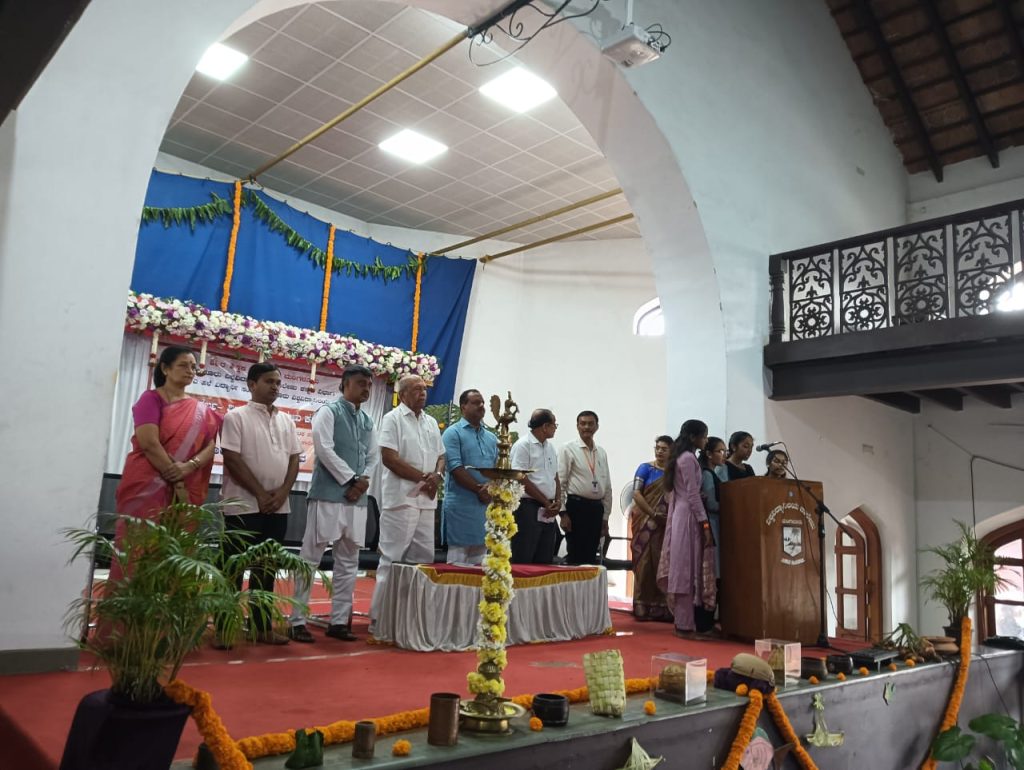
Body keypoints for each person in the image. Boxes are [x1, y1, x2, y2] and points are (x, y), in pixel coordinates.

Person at [289, 365, 378, 643]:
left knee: (349, 560)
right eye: (361, 383)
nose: (366, 389)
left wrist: (362, 483)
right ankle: (297, 621)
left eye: (369, 385)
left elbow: (373, 457)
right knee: (311, 557)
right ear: (345, 384)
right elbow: (324, 449)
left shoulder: (367, 421)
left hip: (356, 499)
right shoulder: (328, 412)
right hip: (328, 495)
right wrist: (351, 480)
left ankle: (339, 621)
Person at [218, 363, 301, 645]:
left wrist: (283, 492)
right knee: (233, 569)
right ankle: (224, 629)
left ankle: (261, 627)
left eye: (278, 382)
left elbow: (294, 459)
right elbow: (232, 458)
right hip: (242, 506)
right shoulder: (236, 417)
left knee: (266, 569)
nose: (275, 387)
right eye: (269, 381)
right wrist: (260, 494)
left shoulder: (287, 420)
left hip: (278, 506)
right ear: (252, 384)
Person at [370, 375, 446, 631]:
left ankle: (411, 620)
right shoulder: (392, 419)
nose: (422, 393)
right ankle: (379, 618)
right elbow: (389, 458)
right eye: (416, 389)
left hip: (426, 500)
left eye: (424, 389)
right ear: (402, 394)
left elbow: (441, 456)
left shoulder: (431, 421)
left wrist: (437, 475)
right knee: (392, 557)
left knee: (422, 559)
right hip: (401, 499)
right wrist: (424, 478)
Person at [115, 345, 222, 521]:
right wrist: (177, 480)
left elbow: (210, 446)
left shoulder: (201, 409)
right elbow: (149, 443)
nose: (190, 371)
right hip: (148, 482)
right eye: (183, 365)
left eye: (193, 367)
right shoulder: (151, 399)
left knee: (177, 538)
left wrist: (190, 466)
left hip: (187, 482)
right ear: (165, 368)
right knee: (142, 535)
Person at [657, 419, 716, 639]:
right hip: (688, 517)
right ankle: (683, 626)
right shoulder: (688, 458)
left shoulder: (681, 457)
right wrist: (705, 524)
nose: (706, 440)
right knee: (685, 570)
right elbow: (691, 494)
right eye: (704, 436)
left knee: (686, 567)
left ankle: (686, 623)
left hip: (682, 514)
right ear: (693, 437)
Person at [441, 389, 498, 565]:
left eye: (482, 402)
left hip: (484, 506)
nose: (481, 406)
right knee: (458, 562)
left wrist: (490, 488)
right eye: (475, 402)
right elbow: (455, 468)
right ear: (463, 406)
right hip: (461, 506)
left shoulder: (491, 437)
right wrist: (479, 490)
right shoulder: (453, 433)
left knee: (481, 562)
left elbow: (497, 470)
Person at [558, 411, 613, 565]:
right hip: (576, 508)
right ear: (577, 426)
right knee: (576, 556)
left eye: (590, 424)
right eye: (583, 423)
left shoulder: (601, 452)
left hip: (596, 509)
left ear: (597, 426)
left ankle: (588, 582)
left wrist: (605, 517)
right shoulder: (568, 449)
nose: (586, 427)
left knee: (590, 556)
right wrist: (563, 513)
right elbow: (560, 483)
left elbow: (607, 486)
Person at [629, 435, 674, 622]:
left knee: (662, 562)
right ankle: (641, 603)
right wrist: (653, 514)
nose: (659, 451)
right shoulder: (645, 468)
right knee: (644, 562)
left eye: (664, 449)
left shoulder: (674, 473)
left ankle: (661, 607)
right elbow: (636, 494)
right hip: (645, 521)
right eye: (657, 448)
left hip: (666, 524)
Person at [509, 409, 561, 564]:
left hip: (548, 509)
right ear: (545, 426)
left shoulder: (550, 447)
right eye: (554, 424)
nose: (555, 428)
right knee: (524, 556)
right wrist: (545, 502)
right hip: (528, 508)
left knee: (544, 558)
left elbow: (555, 477)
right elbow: (520, 478)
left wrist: (558, 501)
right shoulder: (523, 445)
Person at [696, 435, 727, 632]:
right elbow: (711, 503)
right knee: (711, 574)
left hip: (716, 525)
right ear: (708, 454)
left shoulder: (714, 473)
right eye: (719, 451)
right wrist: (732, 505)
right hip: (711, 526)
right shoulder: (707, 474)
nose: (723, 455)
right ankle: (705, 621)